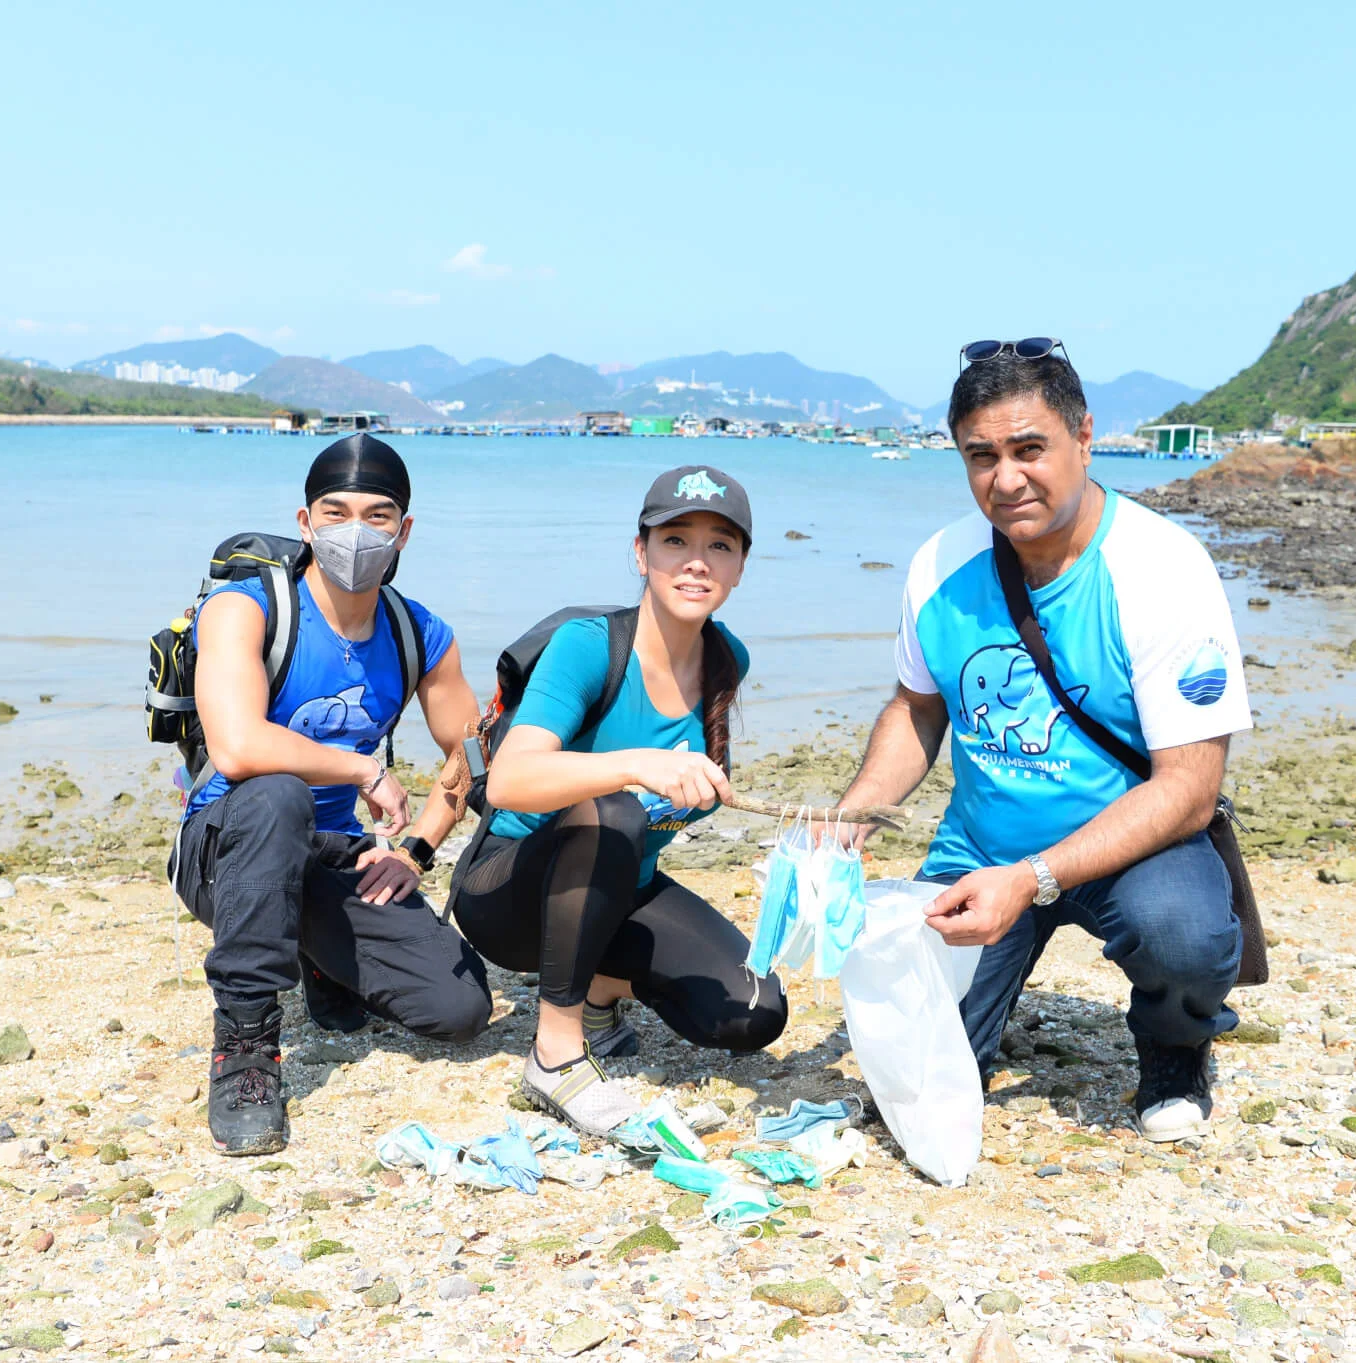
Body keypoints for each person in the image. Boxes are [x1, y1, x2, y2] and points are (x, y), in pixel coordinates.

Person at [835, 339, 1251, 1141]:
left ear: (1084, 436)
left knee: (1184, 936)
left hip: (1133, 845)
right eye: (981, 455)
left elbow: (1189, 787)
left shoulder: (1162, 568)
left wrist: (1032, 880)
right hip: (982, 847)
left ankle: (1175, 1047)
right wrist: (853, 814)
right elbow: (917, 709)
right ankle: (975, 1018)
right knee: (922, 1075)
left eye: (1030, 449)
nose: (1006, 477)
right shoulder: (940, 564)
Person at [172, 434, 492, 1156]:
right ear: (306, 519)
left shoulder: (420, 635)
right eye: (336, 511)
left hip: (327, 852)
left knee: (460, 1007)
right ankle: (246, 1042)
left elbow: (467, 756)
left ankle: (318, 950)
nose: (356, 530)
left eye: (378, 515)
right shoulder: (245, 609)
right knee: (278, 791)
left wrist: (415, 850)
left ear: (404, 530)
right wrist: (362, 772)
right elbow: (237, 746)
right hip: (225, 847)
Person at [452, 465, 788, 1138]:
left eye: (720, 545)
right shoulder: (589, 647)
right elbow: (512, 779)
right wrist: (636, 765)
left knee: (756, 1010)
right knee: (614, 809)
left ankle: (599, 991)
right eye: (675, 541)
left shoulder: (728, 660)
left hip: (618, 887)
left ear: (742, 566)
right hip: (509, 888)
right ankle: (555, 1051)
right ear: (641, 553)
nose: (697, 561)